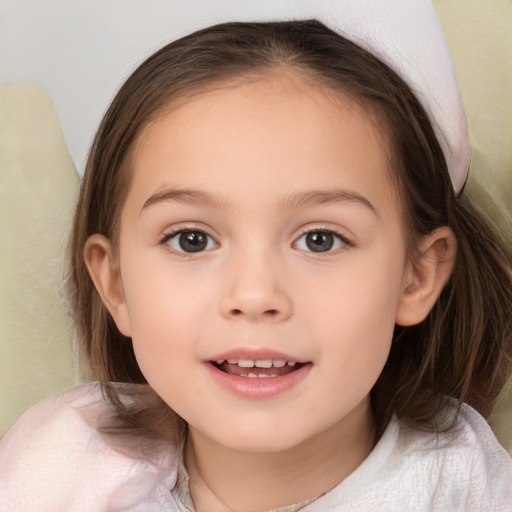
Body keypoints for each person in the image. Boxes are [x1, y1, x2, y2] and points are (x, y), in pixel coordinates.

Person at [1, 2, 511, 511]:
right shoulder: (63, 466)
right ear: (115, 284)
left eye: (320, 240)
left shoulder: (462, 488)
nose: (254, 295)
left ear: (416, 277)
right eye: (191, 240)